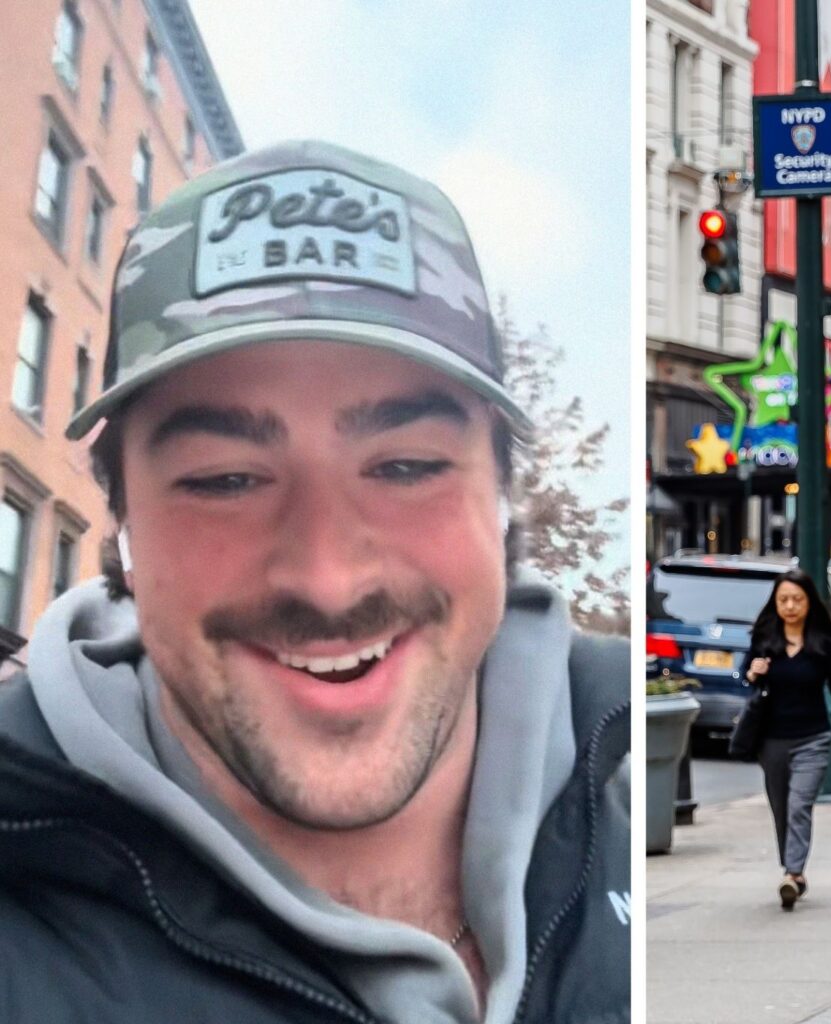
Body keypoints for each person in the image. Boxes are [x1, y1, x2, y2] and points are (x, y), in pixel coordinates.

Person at [0, 140, 628, 1022]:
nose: (328, 580)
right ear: (123, 521)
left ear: (499, 495)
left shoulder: (632, 795)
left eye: (406, 466)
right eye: (225, 480)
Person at [743, 569, 831, 910]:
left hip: (813, 738)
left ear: (809, 602)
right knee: (781, 808)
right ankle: (793, 873)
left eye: (797, 599)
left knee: (799, 807)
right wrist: (754, 672)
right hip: (771, 740)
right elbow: (745, 675)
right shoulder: (765, 637)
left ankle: (792, 872)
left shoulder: (823, 643)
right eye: (784, 600)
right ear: (775, 603)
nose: (790, 606)